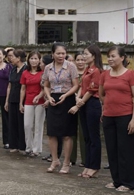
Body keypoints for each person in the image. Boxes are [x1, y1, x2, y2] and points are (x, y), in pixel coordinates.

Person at [99, 46, 134, 192]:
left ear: (122, 58)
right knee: (112, 149)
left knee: (125, 150)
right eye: (108, 56)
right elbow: (102, 94)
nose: (110, 59)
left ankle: (129, 182)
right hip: (109, 116)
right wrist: (106, 108)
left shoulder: (131, 74)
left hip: (125, 115)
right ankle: (116, 180)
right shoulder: (104, 74)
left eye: (113, 56)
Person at [43, 43, 79, 174]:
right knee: (52, 133)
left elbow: (76, 85)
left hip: (67, 99)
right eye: (58, 53)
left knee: (67, 134)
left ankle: (66, 162)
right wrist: (48, 96)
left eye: (63, 53)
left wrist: (66, 95)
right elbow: (46, 85)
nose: (61, 56)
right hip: (53, 99)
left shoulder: (71, 66)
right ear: (52, 54)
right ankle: (55, 160)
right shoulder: (48, 68)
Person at [70, 45, 102, 179]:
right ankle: (87, 165)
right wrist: (78, 97)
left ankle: (94, 166)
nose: (84, 56)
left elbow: (92, 89)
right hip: (83, 102)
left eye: (86, 54)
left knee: (94, 137)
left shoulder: (97, 71)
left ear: (93, 56)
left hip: (91, 103)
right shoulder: (87, 70)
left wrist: (81, 101)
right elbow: (82, 87)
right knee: (87, 136)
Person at [20, 51, 45, 157]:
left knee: (38, 126)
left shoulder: (43, 73)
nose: (34, 61)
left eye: (36, 59)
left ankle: (36, 149)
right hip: (28, 101)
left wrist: (39, 96)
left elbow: (45, 88)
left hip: (40, 102)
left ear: (39, 60)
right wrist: (20, 103)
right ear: (28, 60)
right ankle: (28, 147)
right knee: (27, 125)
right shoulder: (25, 73)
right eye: (32, 58)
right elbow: (23, 89)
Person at [5, 49, 27, 153]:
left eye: (12, 56)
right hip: (12, 98)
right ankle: (13, 145)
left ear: (18, 58)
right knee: (12, 122)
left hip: (22, 99)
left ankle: (22, 145)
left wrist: (21, 103)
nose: (10, 58)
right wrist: (6, 101)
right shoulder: (13, 69)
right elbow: (9, 86)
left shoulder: (26, 69)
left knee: (21, 123)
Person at [68, 52, 87, 167]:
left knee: (83, 132)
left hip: (85, 103)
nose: (80, 62)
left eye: (82, 60)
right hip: (71, 103)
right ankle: (71, 158)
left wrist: (79, 99)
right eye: (78, 60)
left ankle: (85, 159)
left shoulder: (89, 73)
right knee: (71, 132)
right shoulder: (72, 73)